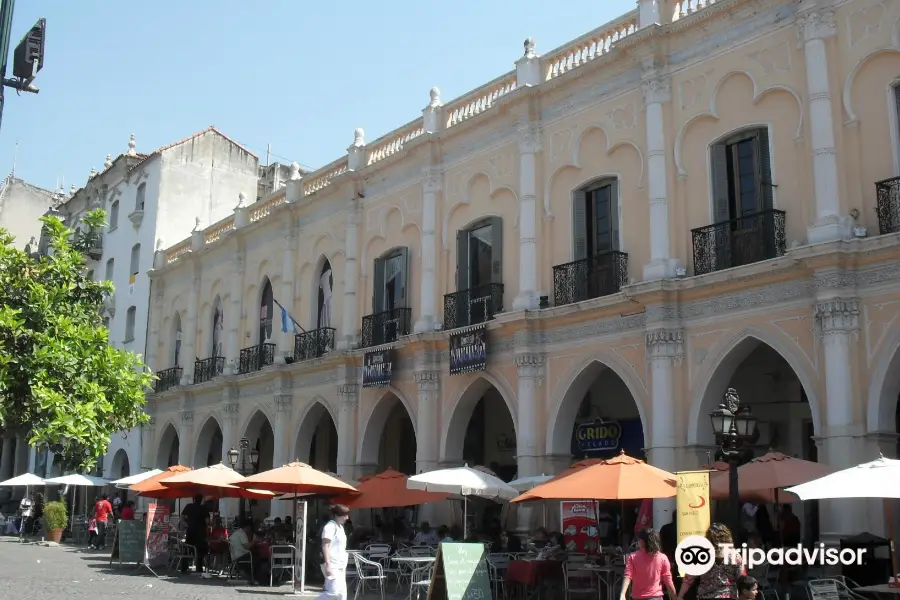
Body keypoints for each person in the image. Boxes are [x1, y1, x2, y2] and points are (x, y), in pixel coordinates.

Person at [677, 523, 746, 600]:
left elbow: (689, 579)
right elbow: (741, 577)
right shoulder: (734, 555)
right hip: (729, 595)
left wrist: (680, 596)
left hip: (706, 596)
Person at [620, 528, 677, 600]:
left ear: (641, 542)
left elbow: (627, 576)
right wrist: (675, 598)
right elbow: (668, 582)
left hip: (638, 598)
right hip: (656, 597)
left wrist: (622, 594)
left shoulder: (633, 557)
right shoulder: (663, 558)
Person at [317, 504, 351, 600]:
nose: (347, 518)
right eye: (344, 515)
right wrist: (328, 564)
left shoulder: (340, 527)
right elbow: (325, 545)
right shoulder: (330, 526)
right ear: (337, 515)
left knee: (342, 594)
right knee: (334, 592)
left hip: (340, 564)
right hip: (332, 564)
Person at [229, 519, 267, 584]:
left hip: (236, 555)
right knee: (259, 558)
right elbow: (247, 546)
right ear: (248, 527)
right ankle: (259, 578)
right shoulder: (242, 534)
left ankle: (255, 576)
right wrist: (254, 540)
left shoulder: (236, 533)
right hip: (241, 556)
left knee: (256, 556)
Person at [181, 494, 210, 574]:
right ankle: (199, 567)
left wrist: (187, 524)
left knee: (187, 548)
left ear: (193, 499)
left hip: (191, 530)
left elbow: (182, 517)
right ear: (201, 500)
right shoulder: (204, 508)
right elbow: (207, 521)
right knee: (200, 550)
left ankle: (184, 567)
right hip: (200, 532)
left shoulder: (189, 506)